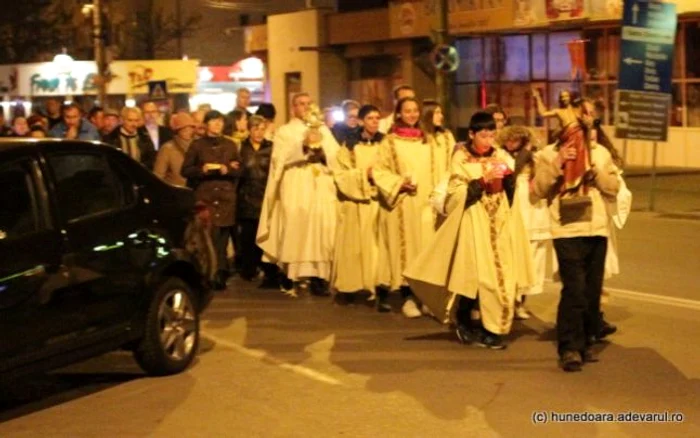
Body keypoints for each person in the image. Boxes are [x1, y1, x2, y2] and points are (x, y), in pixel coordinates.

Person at [405, 111, 535, 350]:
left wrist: (508, 179)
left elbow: (510, 196)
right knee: (473, 278)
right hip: (473, 225)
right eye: (483, 135)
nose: (489, 140)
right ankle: (465, 322)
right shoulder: (461, 160)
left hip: (499, 225)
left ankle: (493, 327)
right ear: (472, 135)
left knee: (499, 277)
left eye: (492, 135)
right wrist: (482, 182)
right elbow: (455, 196)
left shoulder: (501, 155)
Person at [531, 101, 621, 372]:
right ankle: (569, 347)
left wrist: (596, 175)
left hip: (596, 228)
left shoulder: (600, 153)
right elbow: (537, 190)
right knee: (575, 289)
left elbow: (614, 188)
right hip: (566, 228)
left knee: (592, 291)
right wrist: (559, 163)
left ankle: (585, 340)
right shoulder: (548, 153)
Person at [256, 93, 339, 296]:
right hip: (296, 182)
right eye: (301, 104)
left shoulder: (323, 129)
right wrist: (302, 147)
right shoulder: (285, 131)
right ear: (293, 108)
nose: (305, 107)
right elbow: (279, 158)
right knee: (296, 225)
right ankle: (291, 273)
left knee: (320, 227)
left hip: (319, 183)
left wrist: (322, 153)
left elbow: (336, 154)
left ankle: (319, 276)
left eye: (308, 103)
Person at [372, 97, 444, 318]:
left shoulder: (429, 140)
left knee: (426, 250)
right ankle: (407, 297)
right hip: (403, 203)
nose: (412, 115)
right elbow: (378, 170)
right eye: (407, 111)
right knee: (407, 250)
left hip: (426, 204)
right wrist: (398, 183)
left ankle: (426, 297)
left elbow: (440, 169)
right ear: (399, 114)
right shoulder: (390, 142)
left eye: (415, 111)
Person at [332, 104, 386, 310]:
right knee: (353, 247)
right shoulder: (349, 145)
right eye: (370, 118)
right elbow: (341, 174)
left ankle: (376, 288)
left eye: (377, 118)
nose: (374, 121)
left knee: (376, 248)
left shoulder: (386, 143)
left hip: (378, 201)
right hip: (356, 203)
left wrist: (380, 178)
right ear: (362, 121)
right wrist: (365, 176)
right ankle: (348, 288)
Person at [181, 110, 242, 290]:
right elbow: (185, 170)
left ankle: (220, 273)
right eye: (214, 122)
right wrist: (202, 169)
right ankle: (208, 273)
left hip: (225, 198)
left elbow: (240, 169)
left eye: (220, 122)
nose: (217, 125)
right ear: (206, 125)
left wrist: (228, 170)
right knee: (207, 237)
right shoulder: (197, 145)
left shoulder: (230, 145)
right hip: (205, 196)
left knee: (222, 239)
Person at [498, 125, 551, 320]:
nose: (513, 143)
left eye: (517, 139)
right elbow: (508, 173)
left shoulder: (535, 157)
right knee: (512, 258)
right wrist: (524, 156)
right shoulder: (501, 155)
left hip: (533, 211)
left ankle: (521, 301)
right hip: (513, 210)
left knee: (531, 259)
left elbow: (545, 178)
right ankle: (509, 300)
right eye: (510, 139)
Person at [236, 116, 278, 288]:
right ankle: (249, 269)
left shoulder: (271, 148)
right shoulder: (241, 148)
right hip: (246, 197)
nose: (259, 132)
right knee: (248, 237)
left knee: (266, 237)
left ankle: (269, 271)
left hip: (265, 197)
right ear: (249, 130)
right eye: (255, 129)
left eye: (262, 128)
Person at [154, 112, 197, 187]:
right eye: (183, 128)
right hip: (177, 191)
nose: (187, 131)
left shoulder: (198, 144)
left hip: (197, 191)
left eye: (190, 127)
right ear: (177, 130)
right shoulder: (167, 149)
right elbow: (158, 175)